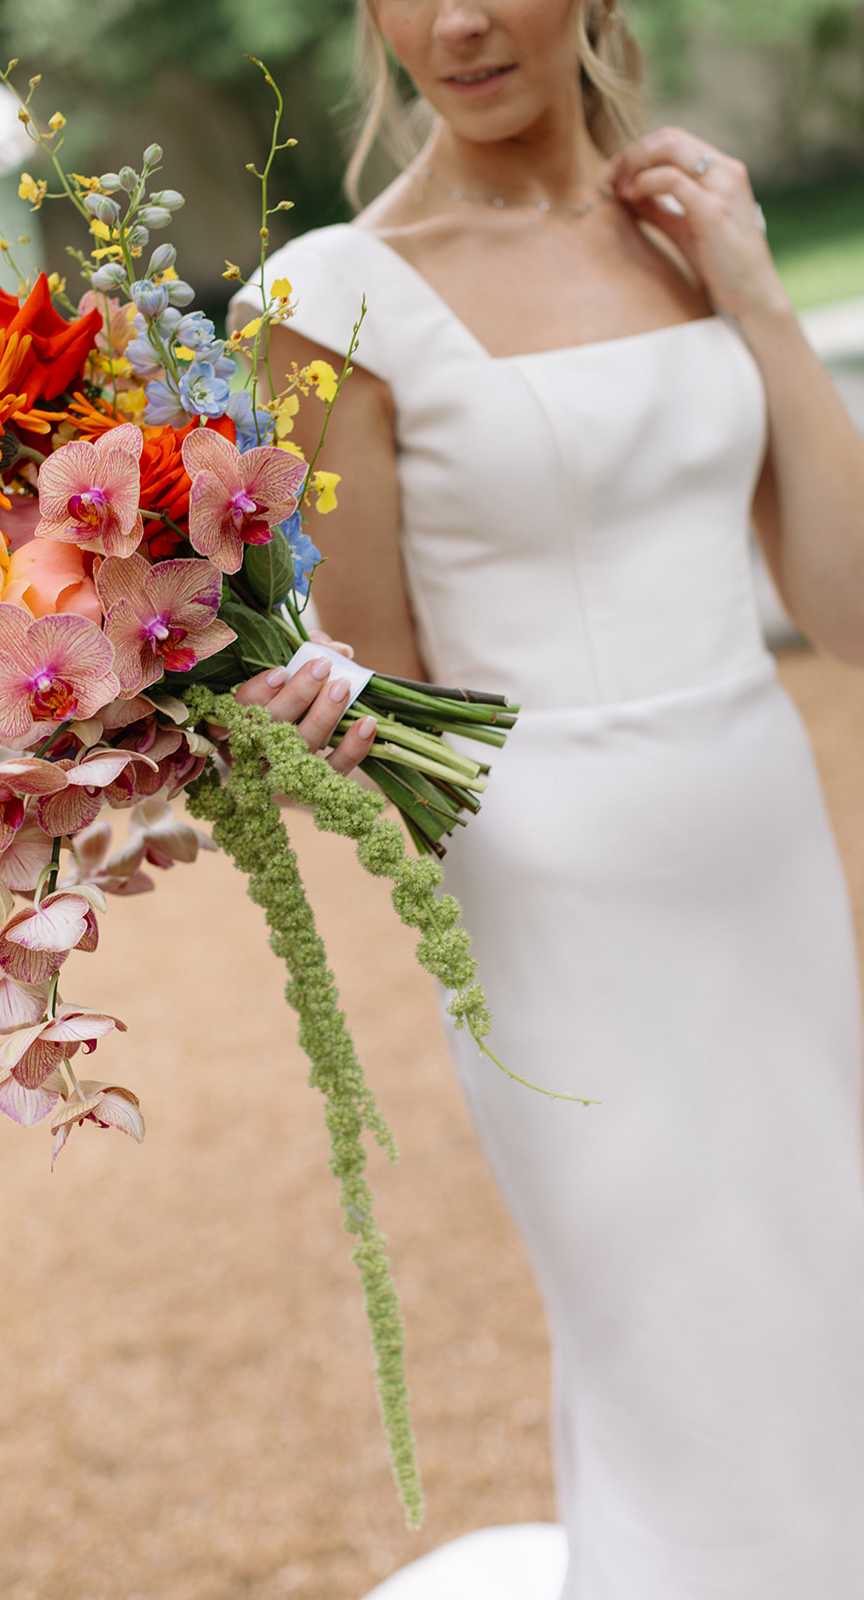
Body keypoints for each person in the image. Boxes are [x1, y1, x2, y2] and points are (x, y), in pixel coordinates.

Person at [230, 1, 864, 1596]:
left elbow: (849, 615)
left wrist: (754, 295)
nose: (454, 18)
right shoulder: (331, 296)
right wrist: (289, 720)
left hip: (760, 827)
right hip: (550, 881)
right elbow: (370, 679)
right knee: (667, 1326)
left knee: (821, 1281)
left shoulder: (685, 227)